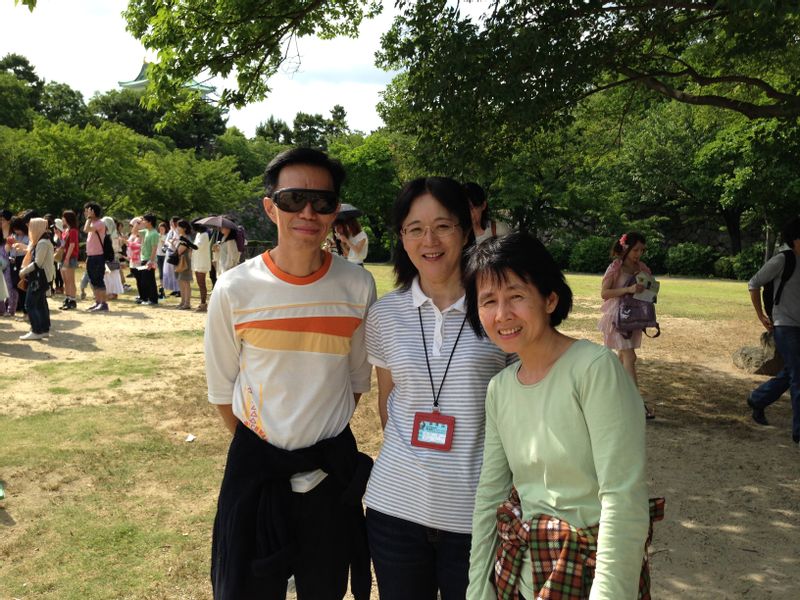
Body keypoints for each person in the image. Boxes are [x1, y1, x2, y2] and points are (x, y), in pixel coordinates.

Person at [204, 147, 377, 600]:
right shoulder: (235, 288)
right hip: (259, 478)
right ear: (270, 206)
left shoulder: (357, 286)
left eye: (322, 201)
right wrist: (270, 450)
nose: (308, 211)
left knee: (325, 589)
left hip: (326, 479)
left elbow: (357, 381)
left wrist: (310, 440)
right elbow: (223, 391)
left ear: (335, 210)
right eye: (293, 198)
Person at [464, 232, 652, 600]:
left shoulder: (593, 369)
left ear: (550, 299)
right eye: (488, 301)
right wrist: (477, 590)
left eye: (516, 296)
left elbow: (622, 496)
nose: (502, 314)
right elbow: (491, 495)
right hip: (521, 575)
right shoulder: (500, 388)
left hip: (593, 578)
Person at [364, 177, 512, 600]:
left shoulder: (497, 310)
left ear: (466, 231)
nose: (429, 240)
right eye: (415, 228)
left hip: (476, 514)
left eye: (443, 226)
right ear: (402, 238)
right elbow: (387, 406)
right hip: (394, 509)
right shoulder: (386, 314)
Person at [746, 216, 800, 446]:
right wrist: (761, 315)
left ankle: (757, 399)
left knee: (792, 373)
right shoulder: (783, 260)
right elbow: (754, 283)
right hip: (785, 325)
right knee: (798, 375)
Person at [598, 231, 656, 419]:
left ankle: (615, 399)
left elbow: (650, 291)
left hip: (634, 318)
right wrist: (628, 289)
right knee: (629, 357)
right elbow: (604, 293)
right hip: (617, 318)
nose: (638, 253)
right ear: (626, 248)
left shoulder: (643, 268)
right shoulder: (616, 267)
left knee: (624, 359)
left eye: (641, 250)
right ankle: (636, 404)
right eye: (635, 249)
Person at [18, 218, 55, 340]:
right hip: (42, 277)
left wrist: (23, 271)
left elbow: (38, 263)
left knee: (30, 304)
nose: (30, 230)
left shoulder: (42, 242)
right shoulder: (43, 240)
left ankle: (36, 330)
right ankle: (44, 329)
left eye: (31, 227)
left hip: (39, 278)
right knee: (40, 303)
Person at [83, 201, 110, 312]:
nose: (85, 213)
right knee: (93, 280)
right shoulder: (93, 224)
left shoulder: (100, 223)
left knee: (98, 280)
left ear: (93, 212)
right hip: (91, 256)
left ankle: (103, 304)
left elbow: (85, 229)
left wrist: (89, 218)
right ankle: (98, 302)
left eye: (87, 211)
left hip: (98, 256)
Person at [138, 214, 161, 306]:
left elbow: (154, 248)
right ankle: (147, 298)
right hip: (144, 258)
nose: (143, 222)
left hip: (149, 260)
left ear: (150, 222)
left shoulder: (154, 233)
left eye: (144, 220)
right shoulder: (146, 231)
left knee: (149, 280)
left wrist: (151, 261)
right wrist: (138, 222)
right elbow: (134, 231)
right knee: (145, 280)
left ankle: (153, 299)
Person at [58, 210, 80, 310]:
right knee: (65, 280)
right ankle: (67, 298)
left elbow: (72, 245)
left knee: (70, 280)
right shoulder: (66, 230)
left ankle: (72, 299)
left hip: (70, 257)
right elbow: (64, 244)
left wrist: (67, 258)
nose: (62, 219)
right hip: (64, 257)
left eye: (63, 217)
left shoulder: (73, 231)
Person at [175, 219, 197, 310]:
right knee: (181, 282)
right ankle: (182, 301)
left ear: (184, 228)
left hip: (185, 261)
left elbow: (180, 250)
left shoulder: (187, 238)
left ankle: (187, 303)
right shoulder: (181, 237)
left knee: (185, 282)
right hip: (179, 261)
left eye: (179, 226)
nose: (177, 228)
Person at [101, 216, 124, 300]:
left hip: (110, 257)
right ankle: (110, 293)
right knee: (110, 276)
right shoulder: (111, 234)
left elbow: (114, 248)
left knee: (111, 276)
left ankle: (112, 293)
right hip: (110, 257)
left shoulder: (112, 235)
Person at [192, 222, 211, 311]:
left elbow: (197, 247)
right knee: (200, 284)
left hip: (202, 262)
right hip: (197, 261)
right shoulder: (198, 234)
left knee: (202, 284)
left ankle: (203, 304)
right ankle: (202, 303)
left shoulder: (205, 235)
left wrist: (186, 242)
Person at [162, 217, 181, 297]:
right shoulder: (170, 231)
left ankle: (179, 290)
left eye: (172, 222)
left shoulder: (178, 231)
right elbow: (167, 241)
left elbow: (178, 242)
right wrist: (170, 242)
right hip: (169, 251)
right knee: (169, 272)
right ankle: (174, 289)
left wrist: (172, 242)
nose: (171, 224)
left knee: (175, 272)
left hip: (175, 253)